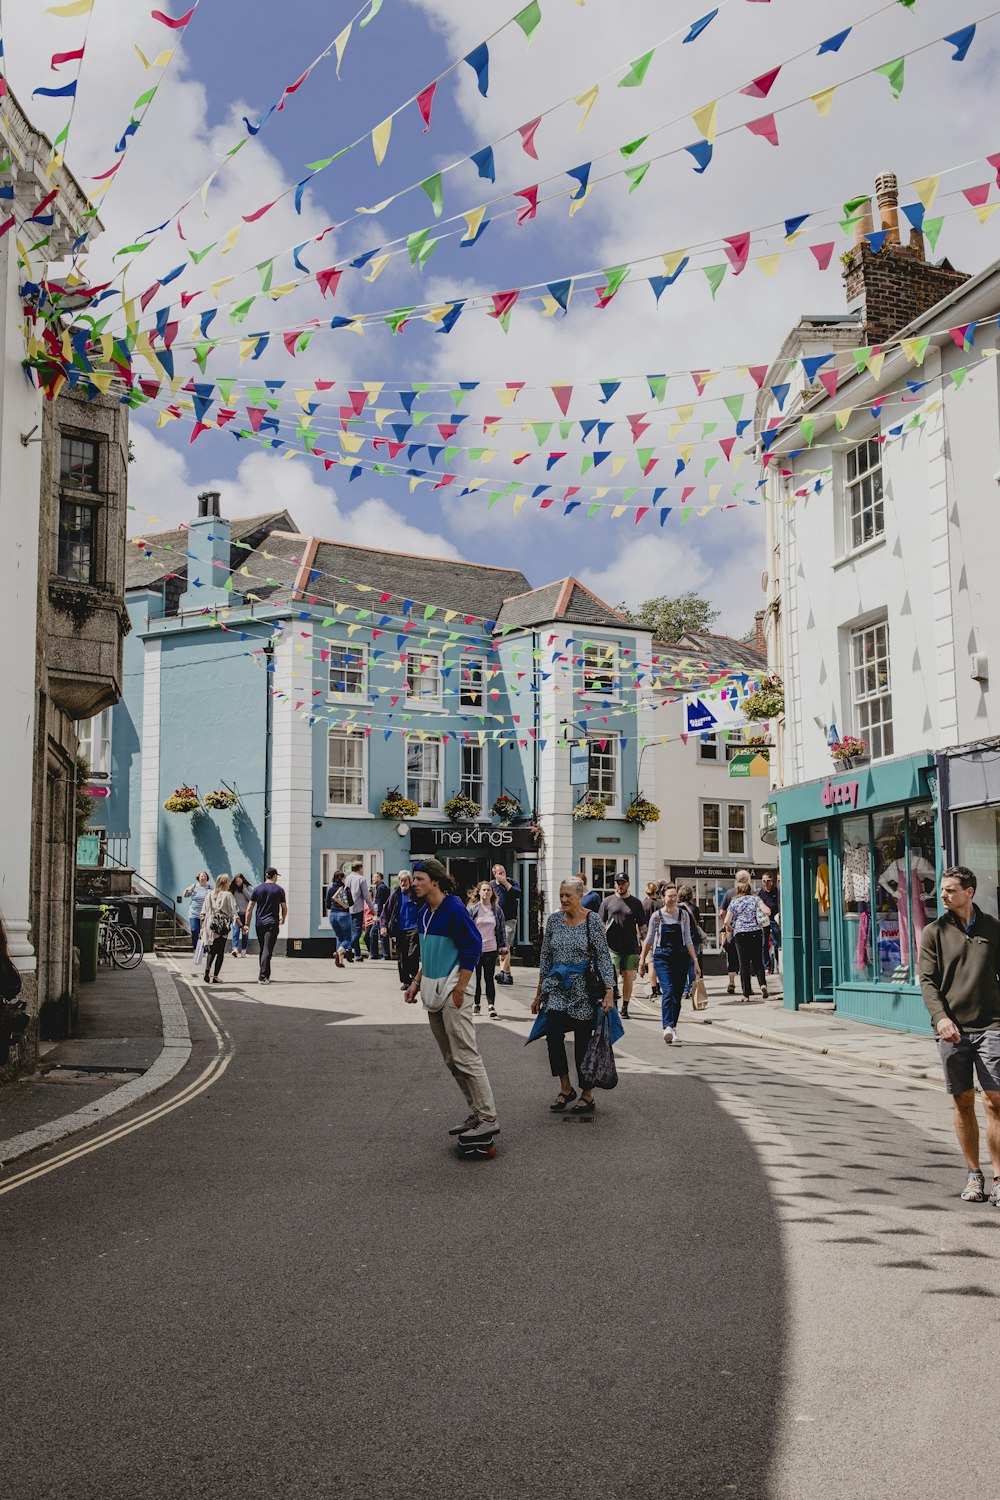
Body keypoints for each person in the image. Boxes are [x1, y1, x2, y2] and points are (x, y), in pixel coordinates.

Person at [918, 865, 1000, 1206]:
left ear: (969, 892)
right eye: (942, 889)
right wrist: (940, 1019)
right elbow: (927, 982)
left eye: (950, 890)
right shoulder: (934, 932)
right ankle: (973, 1174)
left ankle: (999, 1178)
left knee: (995, 1102)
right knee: (963, 1101)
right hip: (951, 1031)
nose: (943, 895)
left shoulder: (994, 928)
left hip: (992, 1027)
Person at [404, 857, 498, 1145]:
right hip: (433, 991)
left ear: (434, 880)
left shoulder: (454, 909)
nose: (414, 884)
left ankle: (488, 1119)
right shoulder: (423, 912)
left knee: (466, 1056)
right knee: (451, 1059)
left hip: (453, 990)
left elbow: (473, 947)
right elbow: (427, 952)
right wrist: (416, 982)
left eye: (419, 879)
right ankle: (477, 1112)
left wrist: (461, 988)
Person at [531, 876, 615, 1114]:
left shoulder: (592, 920)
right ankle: (566, 1087)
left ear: (580, 896)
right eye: (561, 895)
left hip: (583, 990)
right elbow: (546, 957)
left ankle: (587, 1093)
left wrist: (609, 990)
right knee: (553, 1035)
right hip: (557, 987)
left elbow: (603, 956)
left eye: (568, 895)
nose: (564, 899)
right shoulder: (554, 921)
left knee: (582, 1043)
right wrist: (538, 993)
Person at [639, 883, 702, 1045]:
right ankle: (667, 1026)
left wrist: (695, 961)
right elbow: (649, 939)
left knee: (677, 995)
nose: (673, 899)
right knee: (667, 990)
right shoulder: (656, 916)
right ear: (662, 898)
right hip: (662, 958)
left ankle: (673, 1026)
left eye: (675, 896)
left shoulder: (683, 916)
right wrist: (642, 960)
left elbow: (688, 939)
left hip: (681, 957)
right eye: (669, 896)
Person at [599, 873, 646, 1020]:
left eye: (623, 882)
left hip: (631, 946)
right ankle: (612, 1003)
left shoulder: (636, 903)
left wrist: (644, 947)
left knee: (627, 977)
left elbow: (642, 926)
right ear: (614, 884)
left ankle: (625, 1007)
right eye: (618, 882)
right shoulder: (607, 902)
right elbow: (600, 923)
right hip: (612, 946)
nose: (620, 885)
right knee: (613, 975)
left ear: (628, 884)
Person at [723, 870, 770, 1004]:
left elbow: (726, 921)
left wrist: (731, 928)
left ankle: (746, 994)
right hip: (756, 932)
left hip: (740, 935)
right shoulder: (755, 899)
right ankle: (762, 984)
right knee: (757, 961)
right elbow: (767, 911)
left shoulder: (734, 902)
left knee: (743, 964)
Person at [469, 882, 507, 1017]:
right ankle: (476, 1003)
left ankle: (491, 1006)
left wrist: (503, 947)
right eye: (484, 890)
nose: (486, 892)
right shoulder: (473, 909)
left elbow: (501, 930)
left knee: (489, 977)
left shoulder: (497, 910)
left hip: (491, 948)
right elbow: (467, 929)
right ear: (479, 892)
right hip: (476, 949)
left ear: (492, 893)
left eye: (488, 890)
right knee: (476, 978)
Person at [245, 867, 287, 984]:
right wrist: (283, 918)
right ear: (274, 876)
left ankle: (265, 973)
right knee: (267, 949)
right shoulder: (279, 890)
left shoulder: (257, 889)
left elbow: (249, 908)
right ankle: (263, 977)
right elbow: (284, 907)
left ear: (265, 876)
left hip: (259, 924)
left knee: (263, 948)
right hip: (272, 923)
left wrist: (247, 924)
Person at [384, 870, 420, 990]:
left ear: (409, 881)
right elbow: (386, 912)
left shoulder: (417, 894)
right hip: (400, 929)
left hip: (415, 928)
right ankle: (406, 981)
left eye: (404, 880)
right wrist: (383, 926)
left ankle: (415, 979)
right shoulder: (395, 895)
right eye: (400, 880)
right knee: (402, 957)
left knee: (412, 954)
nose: (402, 882)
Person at [201, 875, 238, 984]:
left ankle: (207, 969)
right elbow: (233, 913)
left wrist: (202, 928)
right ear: (225, 882)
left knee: (212, 950)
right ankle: (215, 976)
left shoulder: (209, 894)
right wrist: (241, 925)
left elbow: (203, 913)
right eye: (228, 881)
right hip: (221, 925)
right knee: (220, 951)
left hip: (210, 924)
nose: (230, 882)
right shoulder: (228, 895)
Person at [491, 863, 521, 985]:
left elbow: (517, 894)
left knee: (506, 945)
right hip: (496, 920)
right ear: (495, 874)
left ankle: (502, 972)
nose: (503, 874)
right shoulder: (491, 885)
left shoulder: (511, 883)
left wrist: (505, 883)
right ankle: (508, 975)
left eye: (503, 872)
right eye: (500, 873)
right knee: (501, 947)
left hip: (509, 919)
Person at [677, 884, 704, 1000]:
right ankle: (693, 989)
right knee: (693, 964)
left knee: (682, 966)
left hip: (682, 940)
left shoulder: (677, 908)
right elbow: (697, 922)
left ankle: (685, 990)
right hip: (694, 939)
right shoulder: (695, 908)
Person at [346, 859, 376, 961]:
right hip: (357, 908)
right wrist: (373, 910)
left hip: (347, 909)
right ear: (360, 868)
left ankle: (357, 955)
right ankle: (347, 948)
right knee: (357, 932)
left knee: (352, 932)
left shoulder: (347, 878)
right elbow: (367, 896)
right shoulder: (361, 879)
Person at [325, 868, 353, 969]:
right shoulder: (346, 888)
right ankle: (338, 952)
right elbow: (351, 903)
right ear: (341, 878)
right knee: (348, 939)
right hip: (344, 915)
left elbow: (327, 905)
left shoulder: (330, 889)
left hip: (332, 915)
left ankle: (340, 961)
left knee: (339, 937)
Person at [758, 871, 781, 975]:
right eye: (764, 881)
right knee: (764, 944)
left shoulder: (777, 892)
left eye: (768, 881)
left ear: (772, 881)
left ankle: (777, 965)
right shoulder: (761, 893)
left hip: (775, 920)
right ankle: (767, 967)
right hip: (764, 921)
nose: (766, 883)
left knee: (777, 943)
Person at [183, 871, 211, 952]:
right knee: (195, 930)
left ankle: (205, 949)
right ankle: (196, 948)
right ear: (198, 878)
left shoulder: (210, 888)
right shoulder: (194, 886)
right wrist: (187, 890)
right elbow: (185, 895)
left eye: (205, 876)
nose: (203, 878)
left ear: (207, 878)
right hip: (194, 913)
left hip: (205, 914)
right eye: (202, 876)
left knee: (205, 932)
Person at [719, 884, 739, 995]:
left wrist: (727, 926)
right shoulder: (750, 894)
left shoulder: (729, 893)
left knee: (732, 958)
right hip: (748, 932)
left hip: (731, 932)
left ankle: (731, 983)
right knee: (745, 961)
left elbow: (721, 913)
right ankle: (747, 987)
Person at [368, 872, 390, 959]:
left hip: (381, 915)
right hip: (382, 914)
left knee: (375, 933)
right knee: (379, 934)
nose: (373, 879)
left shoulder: (381, 888)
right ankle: (382, 954)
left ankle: (380, 954)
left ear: (380, 878)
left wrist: (378, 914)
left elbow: (380, 902)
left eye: (375, 877)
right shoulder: (381, 887)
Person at [230, 873, 252, 958]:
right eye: (236, 881)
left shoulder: (248, 888)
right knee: (235, 931)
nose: (238, 883)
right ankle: (235, 949)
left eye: (239, 881)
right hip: (236, 914)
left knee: (245, 932)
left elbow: (251, 899)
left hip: (246, 914)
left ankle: (243, 950)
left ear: (243, 880)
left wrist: (244, 889)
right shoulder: (233, 889)